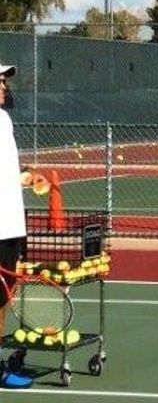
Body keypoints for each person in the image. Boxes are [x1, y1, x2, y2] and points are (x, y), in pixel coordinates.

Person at [0, 62, 33, 389]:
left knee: (4, 297)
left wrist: (23, 178)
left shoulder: (4, 120)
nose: (3, 85)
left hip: (11, 224)